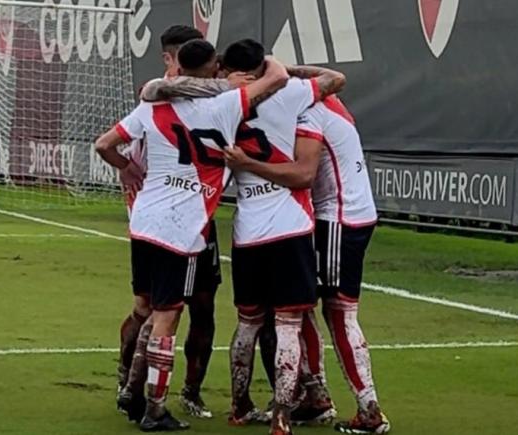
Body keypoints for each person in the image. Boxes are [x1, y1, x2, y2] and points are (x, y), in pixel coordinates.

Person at [96, 39, 289, 431]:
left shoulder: (154, 102)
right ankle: (155, 407)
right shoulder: (227, 103)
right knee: (168, 317)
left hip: (144, 219)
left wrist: (127, 167)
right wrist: (251, 66)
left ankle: (132, 391)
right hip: (182, 226)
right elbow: (279, 76)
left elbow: (104, 144)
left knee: (148, 308)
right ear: (214, 65)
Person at [224, 94, 391, 434]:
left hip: (338, 218)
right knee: (303, 307)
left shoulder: (305, 113)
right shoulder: (329, 100)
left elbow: (304, 174)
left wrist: (248, 164)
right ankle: (316, 396)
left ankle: (369, 409)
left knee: (339, 313)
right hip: (350, 212)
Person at [116, 25, 226, 421]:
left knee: (199, 305)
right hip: (176, 218)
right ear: (169, 59)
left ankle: (178, 391)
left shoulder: (164, 95)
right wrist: (128, 172)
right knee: (161, 309)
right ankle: (137, 389)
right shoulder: (158, 95)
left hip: (175, 218)